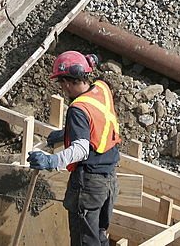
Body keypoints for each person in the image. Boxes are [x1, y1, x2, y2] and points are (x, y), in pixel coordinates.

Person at [28, 51, 121, 246]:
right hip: (109, 180)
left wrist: (51, 161)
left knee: (84, 241)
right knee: (99, 237)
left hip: (89, 185)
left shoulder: (77, 109)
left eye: (62, 84)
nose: (63, 89)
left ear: (67, 82)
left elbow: (81, 149)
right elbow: (99, 120)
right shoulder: (102, 89)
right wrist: (68, 132)